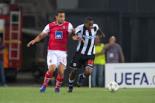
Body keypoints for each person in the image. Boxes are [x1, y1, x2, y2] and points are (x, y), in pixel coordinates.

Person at [27, 10, 76, 93]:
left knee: (61, 72)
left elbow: (73, 35)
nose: (62, 18)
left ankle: (57, 88)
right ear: (56, 17)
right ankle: (44, 86)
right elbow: (41, 35)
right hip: (52, 51)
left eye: (63, 16)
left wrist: (75, 37)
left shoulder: (68, 25)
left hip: (62, 53)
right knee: (52, 69)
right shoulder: (50, 26)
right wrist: (34, 40)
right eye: (60, 16)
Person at [68, 17, 104, 92]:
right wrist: (75, 37)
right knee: (73, 71)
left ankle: (82, 77)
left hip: (90, 54)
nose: (91, 26)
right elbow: (73, 33)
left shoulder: (95, 27)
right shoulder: (80, 28)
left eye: (92, 24)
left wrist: (101, 35)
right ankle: (70, 85)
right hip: (79, 54)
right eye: (89, 24)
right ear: (85, 23)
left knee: (89, 72)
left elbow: (99, 31)